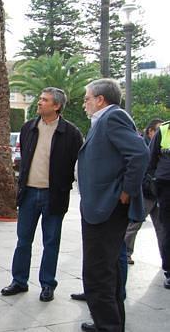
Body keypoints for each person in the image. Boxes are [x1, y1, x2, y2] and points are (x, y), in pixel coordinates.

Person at [77, 78, 149, 332]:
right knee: (106, 270)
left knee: (98, 271)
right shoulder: (103, 120)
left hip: (106, 209)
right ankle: (109, 323)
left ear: (100, 100)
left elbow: (139, 154)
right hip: (100, 206)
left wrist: (127, 190)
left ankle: (108, 326)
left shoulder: (112, 118)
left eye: (87, 98)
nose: (84, 103)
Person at [0, 88, 83, 302]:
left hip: (54, 196)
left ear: (56, 105)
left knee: (51, 242)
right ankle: (19, 281)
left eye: (44, 100)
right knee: (23, 240)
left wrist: (68, 184)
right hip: (28, 194)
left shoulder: (71, 133)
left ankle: (47, 284)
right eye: (40, 99)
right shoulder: (29, 127)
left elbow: (80, 165)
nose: (39, 102)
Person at [125, 119, 165, 265]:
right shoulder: (142, 145)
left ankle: (165, 257)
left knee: (162, 227)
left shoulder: (159, 145)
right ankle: (126, 253)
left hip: (158, 192)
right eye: (158, 130)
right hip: (146, 191)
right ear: (151, 131)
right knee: (135, 223)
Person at [147, 118, 170, 289]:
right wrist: (157, 182)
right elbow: (150, 161)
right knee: (167, 229)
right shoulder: (164, 130)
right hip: (166, 188)